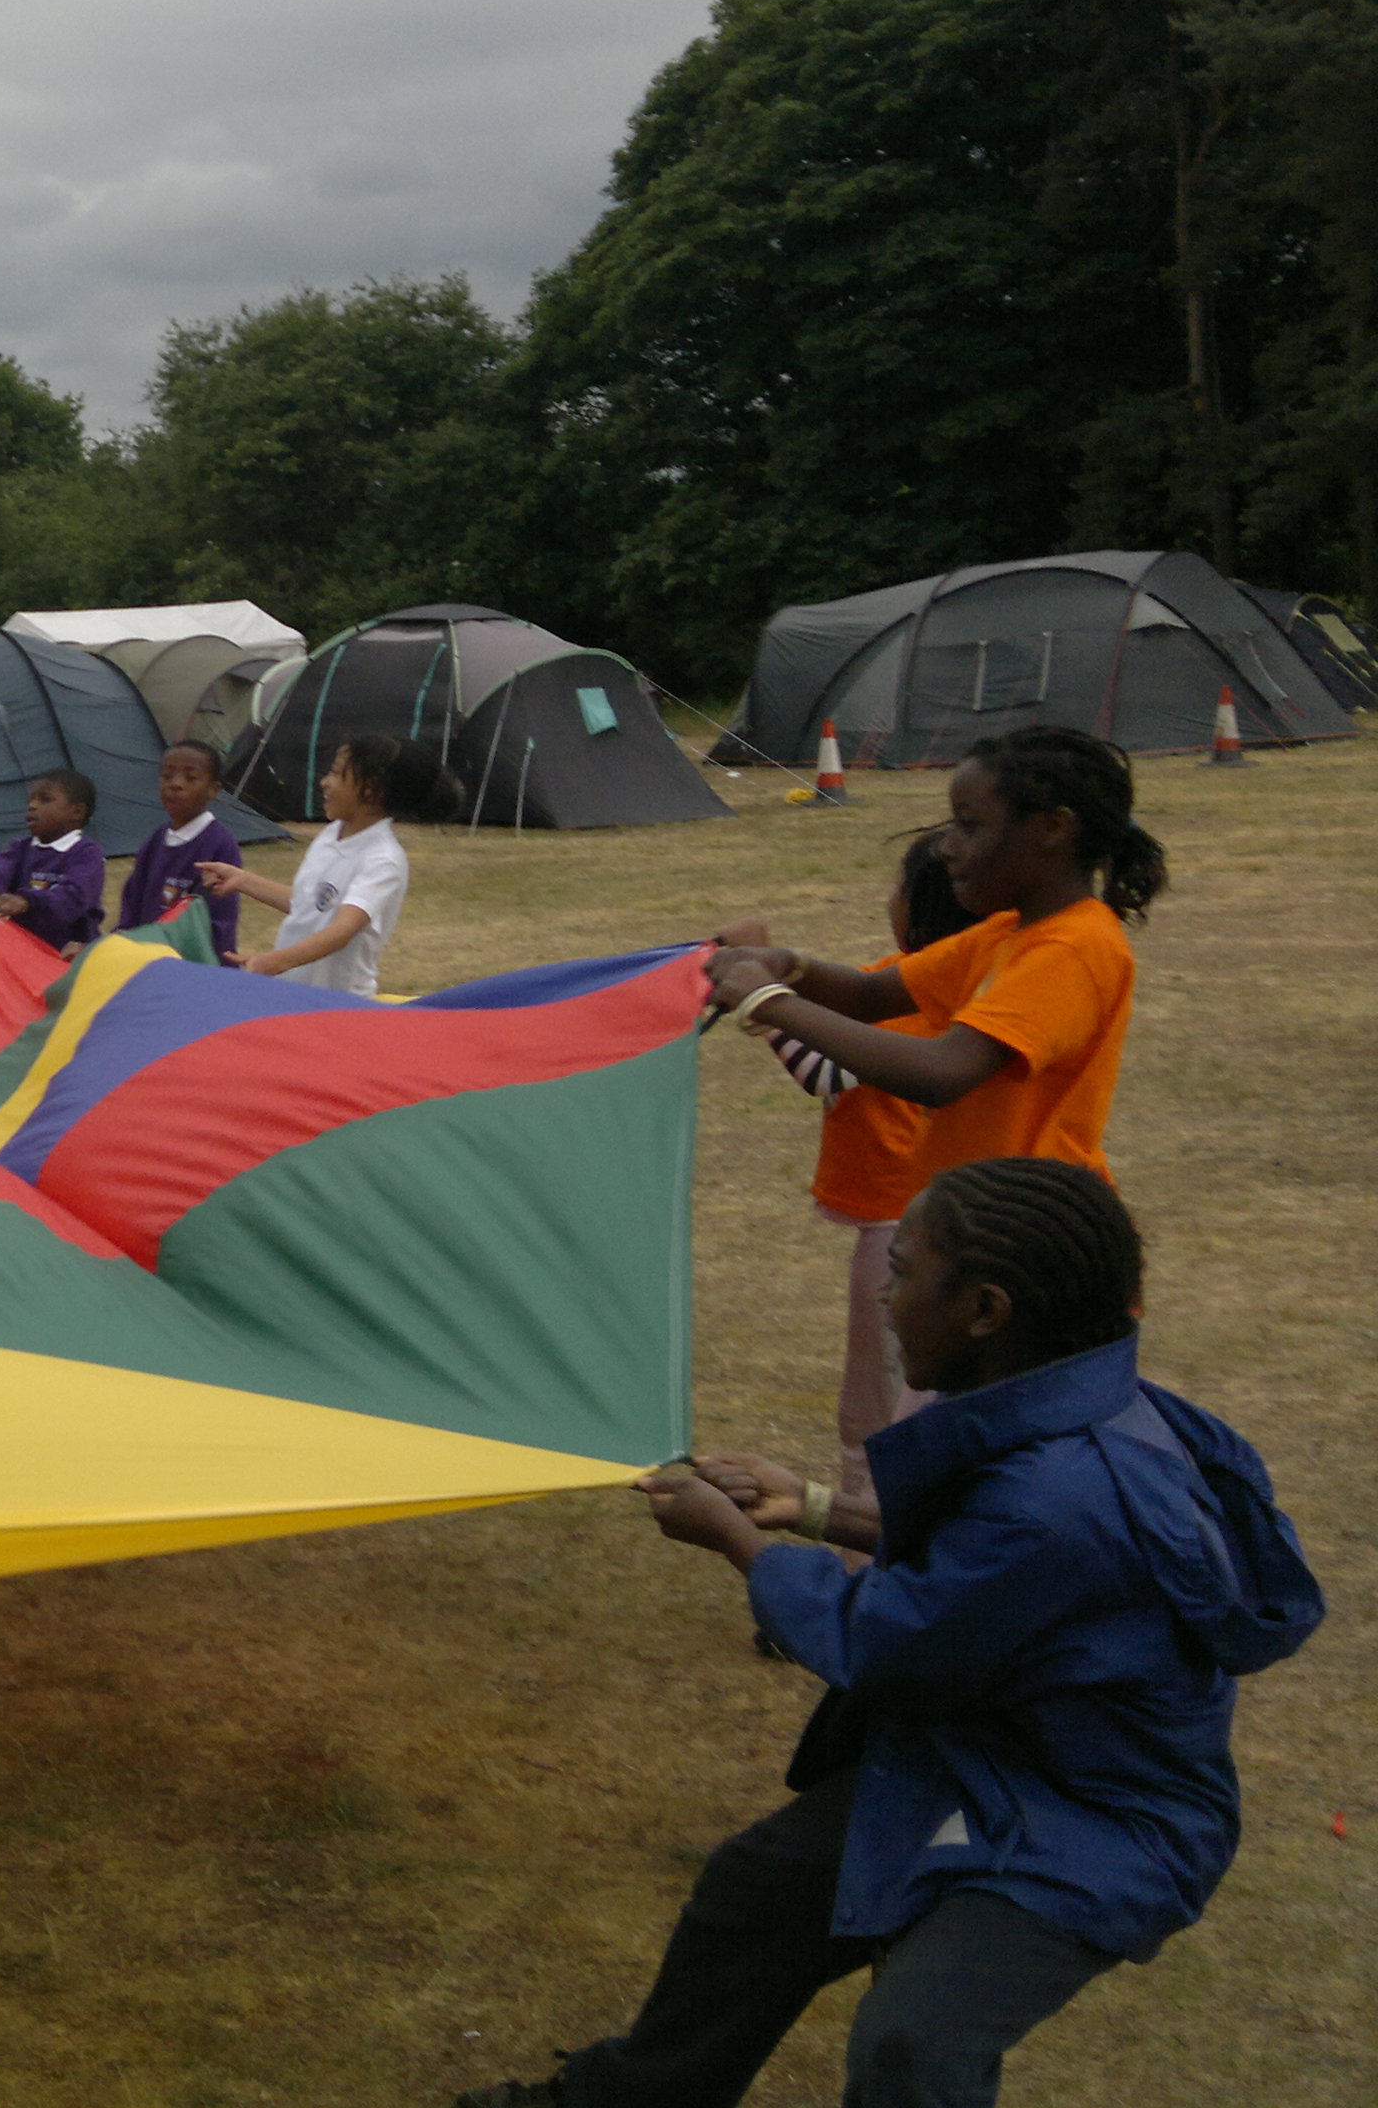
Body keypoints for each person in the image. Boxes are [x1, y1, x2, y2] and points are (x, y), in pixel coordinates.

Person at [462, 1159, 1320, 2108]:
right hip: (992, 1754)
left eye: (903, 1272)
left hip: (1094, 1817)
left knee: (917, 2042)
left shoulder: (1058, 1501)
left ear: (985, 1311)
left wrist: (739, 1541)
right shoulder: (1084, 1408)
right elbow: (987, 1571)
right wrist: (814, 1507)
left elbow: (887, 1639)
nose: (885, 1294)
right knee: (757, 1895)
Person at [704, 727, 1160, 1190]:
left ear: (1052, 829)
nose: (946, 847)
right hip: (977, 1209)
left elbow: (942, 1072)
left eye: (970, 826)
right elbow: (868, 995)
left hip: (1026, 1219)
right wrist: (787, 965)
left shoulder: (1073, 948)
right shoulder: (1006, 931)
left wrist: (769, 1001)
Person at [726, 831, 981, 1511]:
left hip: (904, 1225)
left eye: (899, 888)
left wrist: (762, 1000)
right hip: (906, 1215)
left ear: (923, 907)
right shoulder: (917, 978)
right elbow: (842, 1008)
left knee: (876, 1409)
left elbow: (824, 1071)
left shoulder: (931, 998)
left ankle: (868, 1544)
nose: (888, 899)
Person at [195, 733, 452, 994]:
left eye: (337, 774)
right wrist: (243, 880)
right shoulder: (331, 835)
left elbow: (342, 930)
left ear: (370, 790)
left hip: (338, 1004)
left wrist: (275, 961)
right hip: (295, 993)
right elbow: (311, 905)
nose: (324, 782)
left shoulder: (383, 860)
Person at [112, 739, 245, 960]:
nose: (175, 784)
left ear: (213, 790)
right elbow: (132, 903)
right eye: (167, 776)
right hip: (147, 959)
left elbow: (217, 922)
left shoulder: (220, 845)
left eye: (190, 778)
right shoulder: (155, 840)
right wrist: (123, 941)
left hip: (193, 964)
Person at [0, 770, 107, 956]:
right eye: (31, 800)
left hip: (68, 957)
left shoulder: (86, 854)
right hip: (22, 954)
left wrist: (27, 902)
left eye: (45, 800)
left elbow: (73, 899)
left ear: (77, 812)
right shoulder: (19, 849)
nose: (32, 806)